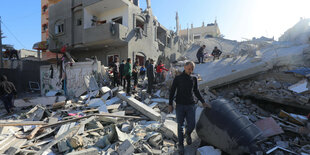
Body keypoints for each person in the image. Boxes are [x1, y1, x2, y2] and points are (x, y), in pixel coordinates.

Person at [169, 61, 211, 154]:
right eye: (189, 68)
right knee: (180, 126)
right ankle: (180, 145)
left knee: (191, 125)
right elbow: (172, 91)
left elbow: (196, 91)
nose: (190, 70)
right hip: (180, 105)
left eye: (192, 69)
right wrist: (170, 104)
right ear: (184, 67)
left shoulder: (194, 79)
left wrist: (203, 102)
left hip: (191, 105)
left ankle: (188, 134)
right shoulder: (178, 78)